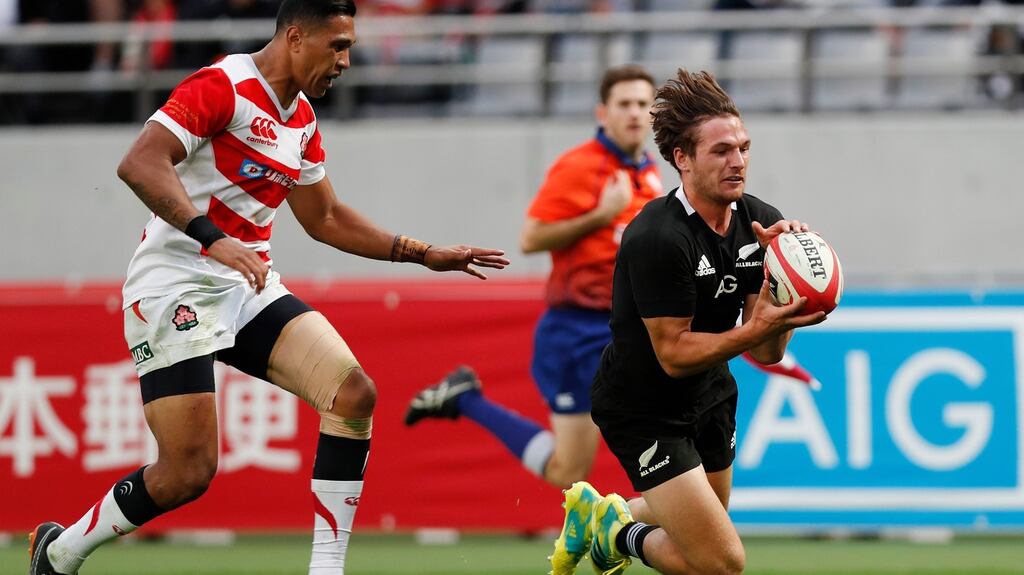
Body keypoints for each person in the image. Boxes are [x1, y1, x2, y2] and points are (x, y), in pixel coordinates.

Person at [27, 2, 508, 574]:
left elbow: (325, 217)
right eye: (338, 45)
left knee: (352, 394)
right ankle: (60, 551)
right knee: (187, 472)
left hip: (248, 286)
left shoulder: (300, 117)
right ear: (297, 37)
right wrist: (211, 237)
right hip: (174, 287)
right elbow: (139, 162)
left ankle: (325, 571)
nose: (346, 61)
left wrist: (422, 253)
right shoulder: (223, 85)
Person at [550, 69, 827, 575]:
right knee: (721, 563)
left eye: (743, 147)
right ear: (683, 158)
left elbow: (767, 353)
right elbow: (674, 356)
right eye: (721, 150)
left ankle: (601, 519)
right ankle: (617, 534)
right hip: (644, 405)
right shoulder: (658, 236)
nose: (738, 161)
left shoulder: (759, 222)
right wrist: (756, 330)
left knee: (703, 535)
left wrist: (785, 288)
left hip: (711, 394)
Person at [403, 65, 661, 489]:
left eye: (642, 104)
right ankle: (466, 400)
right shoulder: (580, 166)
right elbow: (531, 237)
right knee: (569, 471)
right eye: (624, 104)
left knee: (660, 422)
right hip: (577, 331)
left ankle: (667, 522)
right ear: (603, 112)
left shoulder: (648, 170)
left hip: (625, 329)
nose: (634, 113)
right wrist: (601, 214)